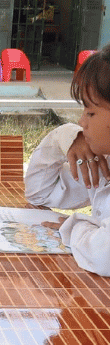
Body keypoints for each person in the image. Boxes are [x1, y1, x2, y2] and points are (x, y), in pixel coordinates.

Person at [25, 44, 110, 276]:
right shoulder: (104, 163)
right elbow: (39, 192)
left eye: (90, 113)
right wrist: (67, 137)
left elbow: (104, 256)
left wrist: (75, 227)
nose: (82, 122)